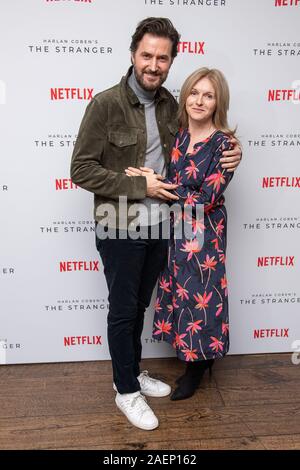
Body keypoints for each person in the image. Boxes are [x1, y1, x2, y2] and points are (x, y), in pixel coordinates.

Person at [70, 18, 242, 430]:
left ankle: (133, 373)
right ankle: (125, 390)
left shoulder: (170, 105)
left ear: (170, 62)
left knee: (140, 308)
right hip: (120, 224)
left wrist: (234, 152)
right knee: (123, 311)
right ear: (133, 54)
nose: (153, 63)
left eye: (162, 58)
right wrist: (137, 184)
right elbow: (80, 170)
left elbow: (203, 142)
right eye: (147, 55)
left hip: (163, 229)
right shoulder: (104, 104)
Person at [128, 68, 236, 401]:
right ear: (185, 95)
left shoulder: (225, 145)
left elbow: (205, 199)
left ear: (218, 102)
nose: (199, 101)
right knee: (179, 292)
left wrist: (161, 190)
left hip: (204, 233)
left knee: (202, 298)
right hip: (172, 229)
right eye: (194, 92)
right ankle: (191, 358)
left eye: (208, 95)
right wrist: (149, 176)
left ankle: (197, 370)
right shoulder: (177, 135)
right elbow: (163, 169)